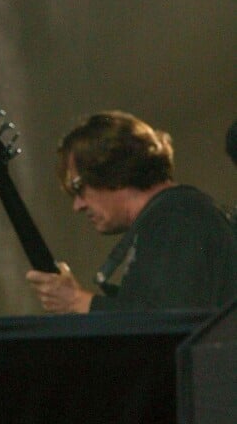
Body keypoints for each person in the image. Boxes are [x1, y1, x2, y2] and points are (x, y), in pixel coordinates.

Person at [26, 111, 237, 313]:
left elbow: (165, 326)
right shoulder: (178, 215)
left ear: (111, 171)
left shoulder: (178, 216)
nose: (77, 205)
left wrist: (76, 300)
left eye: (79, 187)